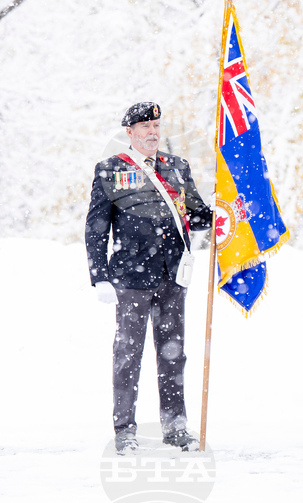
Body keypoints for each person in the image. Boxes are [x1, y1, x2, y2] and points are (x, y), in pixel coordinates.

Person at [85, 102, 213, 454]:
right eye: (144, 127)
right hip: (130, 278)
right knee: (128, 354)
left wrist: (223, 210)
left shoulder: (177, 168)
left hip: (173, 276)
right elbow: (96, 228)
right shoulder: (111, 170)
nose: (152, 132)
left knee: (173, 354)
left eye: (156, 125)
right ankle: (124, 430)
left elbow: (198, 217)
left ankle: (175, 427)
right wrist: (99, 276)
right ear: (130, 132)